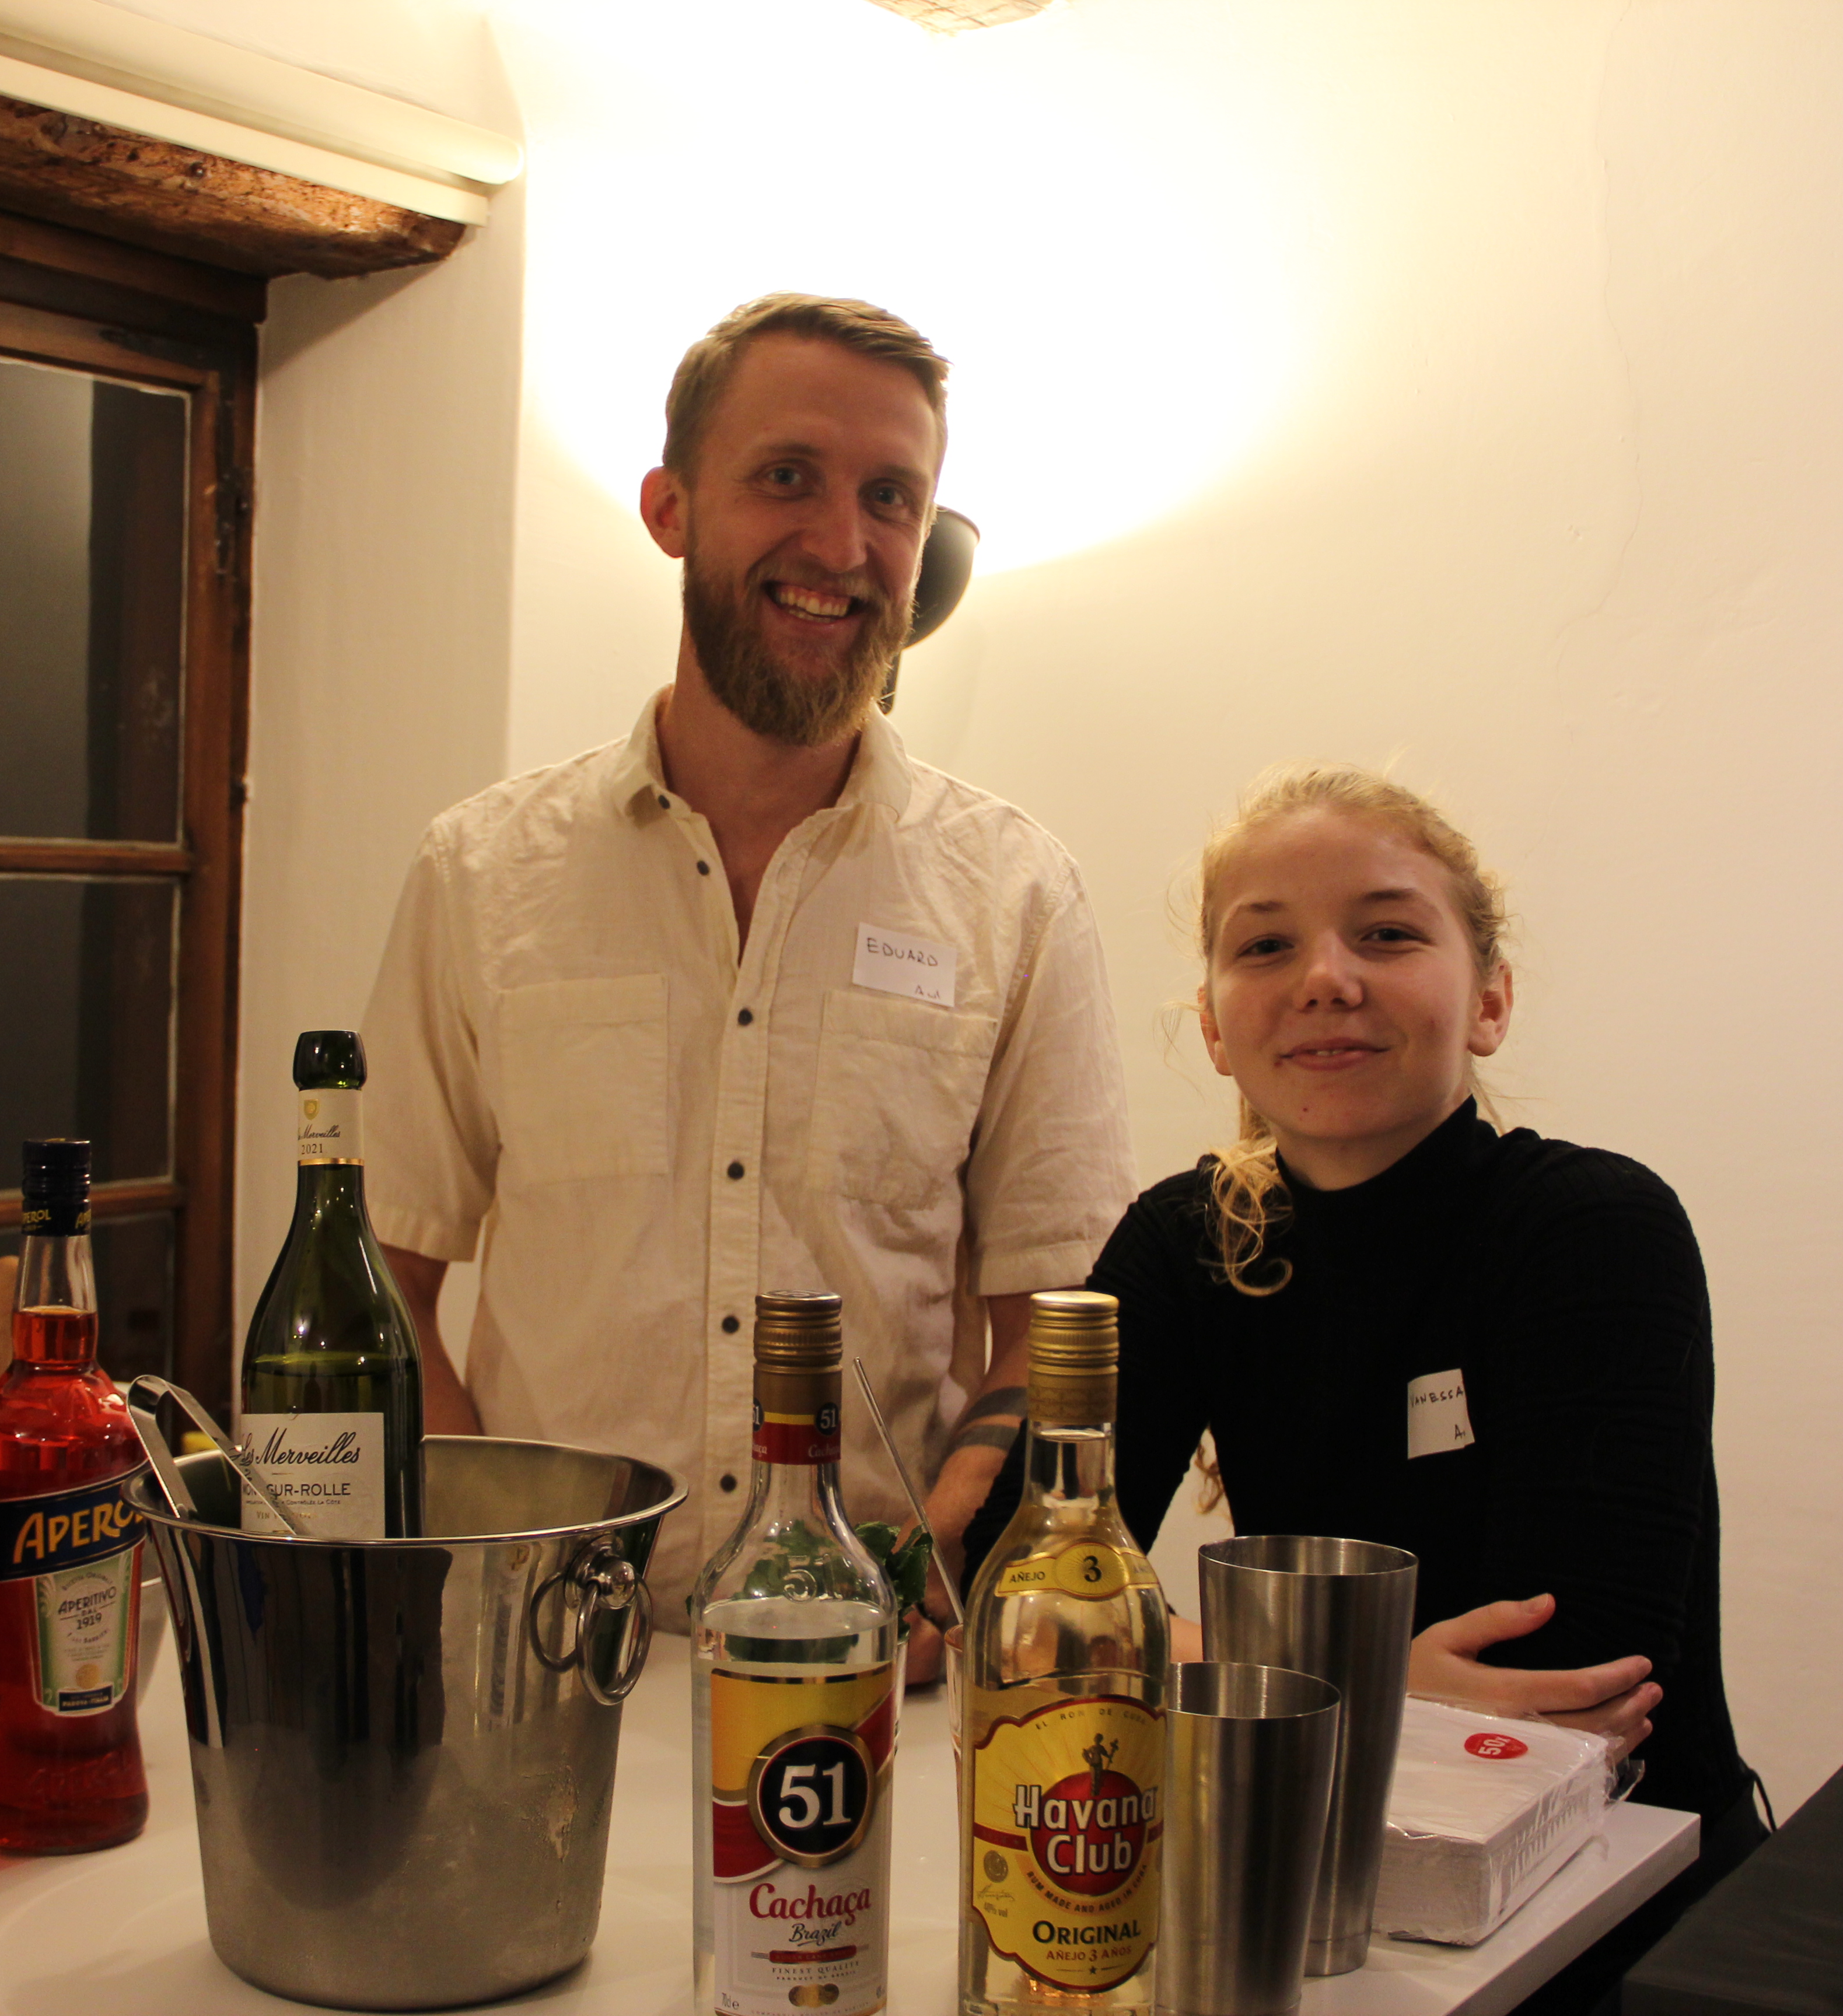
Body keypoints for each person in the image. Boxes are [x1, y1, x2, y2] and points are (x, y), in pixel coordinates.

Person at [356, 295, 1135, 1674]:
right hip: (547, 1671)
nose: (842, 546)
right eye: (788, 478)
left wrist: (939, 1554)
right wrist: (502, 1563)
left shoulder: (1015, 894)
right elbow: (384, 1280)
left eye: (890, 497)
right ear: (670, 508)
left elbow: (1053, 1326)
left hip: (878, 1682)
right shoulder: (481, 876)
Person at [965, 764, 1761, 2010]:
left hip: (1619, 1917)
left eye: (1387, 933)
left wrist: (1184, 1661)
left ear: (1490, 1000)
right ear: (1219, 1025)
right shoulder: (1186, 1246)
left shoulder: (1593, 1227)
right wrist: (1390, 1683)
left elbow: (1588, 1680)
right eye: (1266, 944)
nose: (1326, 976)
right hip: (1302, 1890)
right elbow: (1006, 1599)